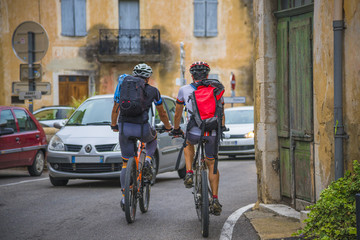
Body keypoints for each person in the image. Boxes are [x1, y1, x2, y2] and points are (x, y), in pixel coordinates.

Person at [111, 63, 172, 210]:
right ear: (148, 78)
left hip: (125, 127)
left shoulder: (122, 87)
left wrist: (114, 125)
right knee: (152, 138)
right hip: (142, 128)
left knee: (125, 163)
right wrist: (168, 127)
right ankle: (148, 161)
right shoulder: (153, 91)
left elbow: (115, 109)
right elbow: (162, 113)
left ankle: (125, 197)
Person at [171, 61, 225, 216]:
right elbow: (221, 112)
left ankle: (188, 172)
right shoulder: (216, 89)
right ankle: (214, 199)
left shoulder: (184, 90)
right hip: (211, 132)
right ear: (207, 75)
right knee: (212, 163)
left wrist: (176, 129)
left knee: (188, 143)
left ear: (192, 75)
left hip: (194, 131)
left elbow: (177, 113)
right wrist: (222, 126)